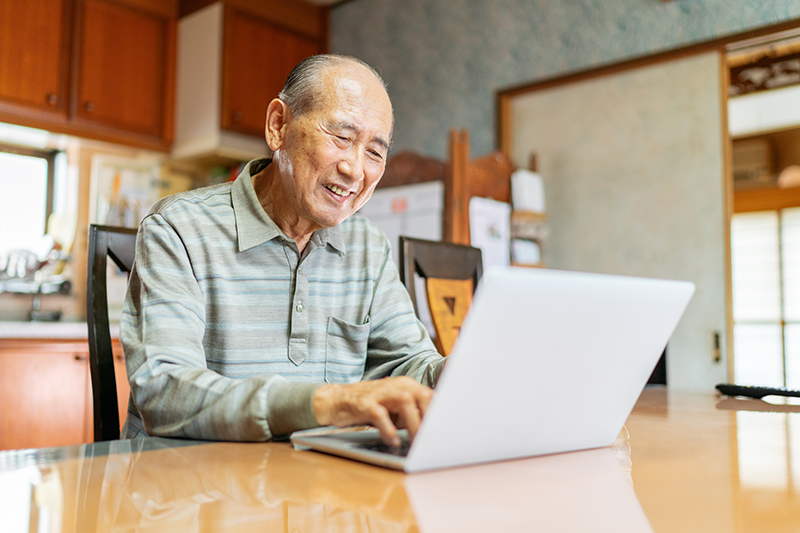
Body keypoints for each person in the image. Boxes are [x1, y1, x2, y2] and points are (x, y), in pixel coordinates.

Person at [120, 54, 445, 447]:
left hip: (317, 488)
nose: (356, 170)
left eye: (375, 152)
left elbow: (409, 366)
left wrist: (470, 371)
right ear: (278, 126)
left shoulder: (367, 246)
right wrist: (327, 402)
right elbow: (165, 390)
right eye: (341, 137)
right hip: (194, 491)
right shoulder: (179, 229)